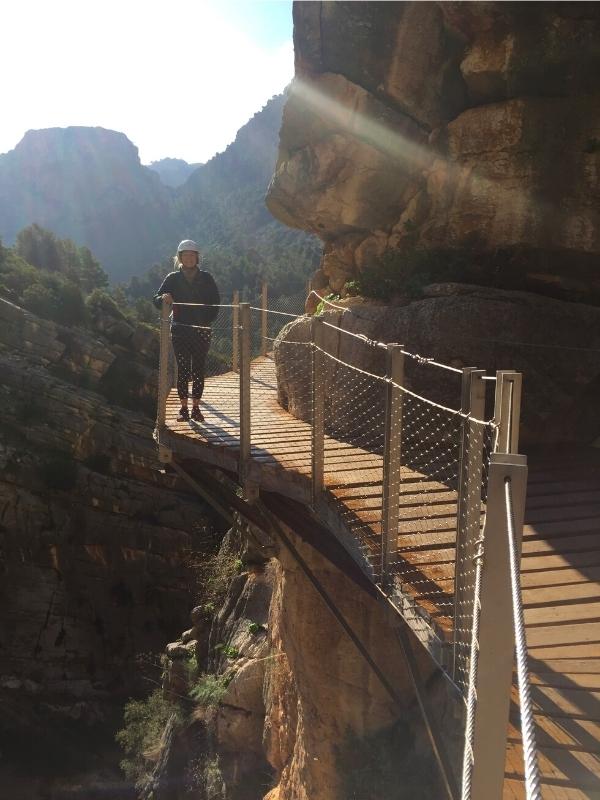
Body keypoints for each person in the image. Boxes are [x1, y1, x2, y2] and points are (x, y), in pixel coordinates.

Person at [153, 239, 220, 422]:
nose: (189, 258)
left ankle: (196, 408)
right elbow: (156, 299)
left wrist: (206, 320)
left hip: (201, 330)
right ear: (180, 257)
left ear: (197, 258)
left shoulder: (206, 278)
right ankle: (183, 408)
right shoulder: (172, 278)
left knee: (198, 368)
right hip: (180, 330)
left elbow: (215, 302)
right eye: (186, 255)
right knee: (183, 368)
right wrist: (163, 298)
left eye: (192, 255)